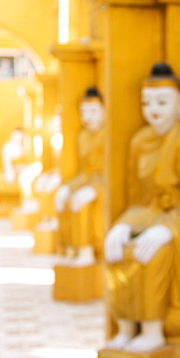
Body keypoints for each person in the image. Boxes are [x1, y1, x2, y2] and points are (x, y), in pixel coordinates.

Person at [103, 63, 180, 353]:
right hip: (149, 216)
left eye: (162, 102)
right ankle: (126, 326)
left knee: (154, 251)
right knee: (117, 249)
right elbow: (138, 201)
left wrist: (168, 229)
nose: (153, 110)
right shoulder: (140, 141)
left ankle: (152, 330)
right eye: (147, 103)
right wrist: (124, 225)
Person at [55, 88, 105, 265]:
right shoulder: (82, 135)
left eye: (93, 111)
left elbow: (110, 173)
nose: (87, 117)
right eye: (83, 112)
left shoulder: (108, 135)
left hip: (105, 186)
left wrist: (95, 190)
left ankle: (87, 250)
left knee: (83, 202)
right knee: (65, 197)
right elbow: (84, 172)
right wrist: (67, 186)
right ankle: (70, 246)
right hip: (88, 180)